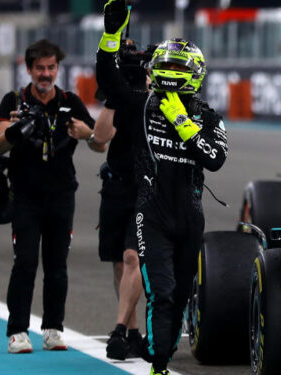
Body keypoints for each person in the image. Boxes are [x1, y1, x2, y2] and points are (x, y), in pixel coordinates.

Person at [96, 1, 228, 374]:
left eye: (178, 67)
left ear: (195, 74)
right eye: (165, 65)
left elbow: (215, 159)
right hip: (150, 213)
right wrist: (110, 37)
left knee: (182, 295)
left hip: (190, 218)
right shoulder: (143, 105)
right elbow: (109, 82)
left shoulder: (207, 116)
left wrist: (182, 122)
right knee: (162, 294)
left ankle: (163, 359)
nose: (169, 72)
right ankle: (158, 367)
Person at [0, 38, 96, 353]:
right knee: (24, 263)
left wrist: (88, 134)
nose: (45, 74)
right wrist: (17, 129)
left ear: (57, 68)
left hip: (62, 196)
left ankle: (53, 329)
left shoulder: (71, 101)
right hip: (24, 196)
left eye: (51, 67)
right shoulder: (12, 100)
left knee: (57, 265)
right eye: (40, 68)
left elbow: (101, 143)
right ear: (29, 69)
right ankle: (17, 332)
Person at [67, 39, 150, 360]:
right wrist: (115, 96)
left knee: (132, 258)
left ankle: (119, 330)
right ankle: (131, 332)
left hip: (143, 188)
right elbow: (100, 140)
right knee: (119, 263)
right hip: (115, 188)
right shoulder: (117, 98)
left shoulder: (150, 97)